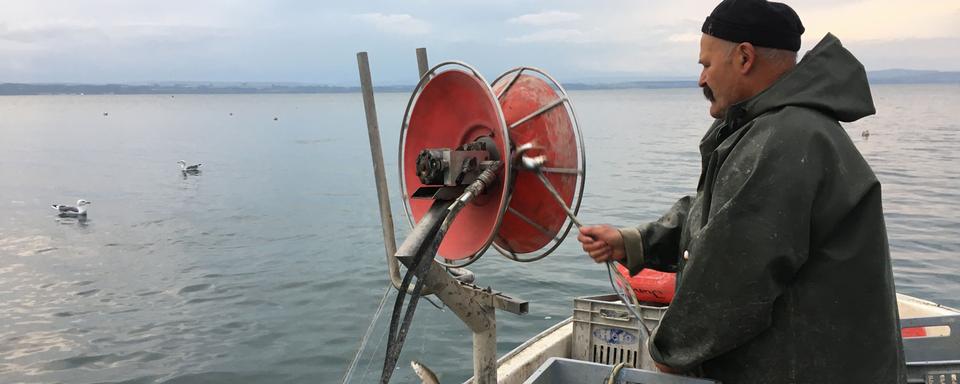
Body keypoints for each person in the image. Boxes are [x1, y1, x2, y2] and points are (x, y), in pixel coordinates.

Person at [577, 0, 907, 383]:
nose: (701, 79)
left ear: (745, 58)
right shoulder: (782, 129)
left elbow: (735, 271)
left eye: (706, 65)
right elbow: (718, 216)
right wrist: (633, 242)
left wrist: (672, 353)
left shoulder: (786, 139)